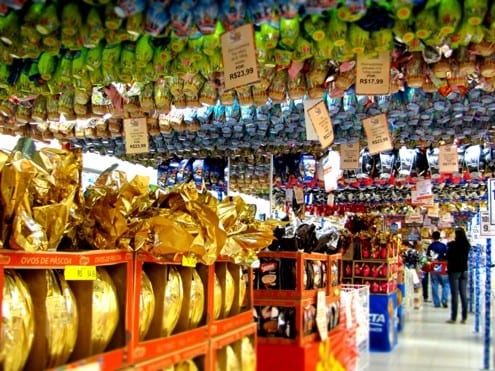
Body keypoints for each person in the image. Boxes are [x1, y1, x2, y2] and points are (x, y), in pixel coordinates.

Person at [446, 227, 471, 324]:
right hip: (464, 271)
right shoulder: (467, 245)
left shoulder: (452, 245)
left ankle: (454, 317)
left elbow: (448, 257)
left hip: (454, 272)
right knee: (464, 295)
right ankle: (464, 317)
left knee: (455, 295)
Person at [427, 231, 450, 308]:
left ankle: (437, 303)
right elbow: (447, 256)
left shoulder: (430, 246)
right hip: (443, 266)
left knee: (434, 284)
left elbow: (428, 257)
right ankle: (444, 300)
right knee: (446, 284)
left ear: (432, 237)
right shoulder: (443, 246)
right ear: (439, 237)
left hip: (434, 265)